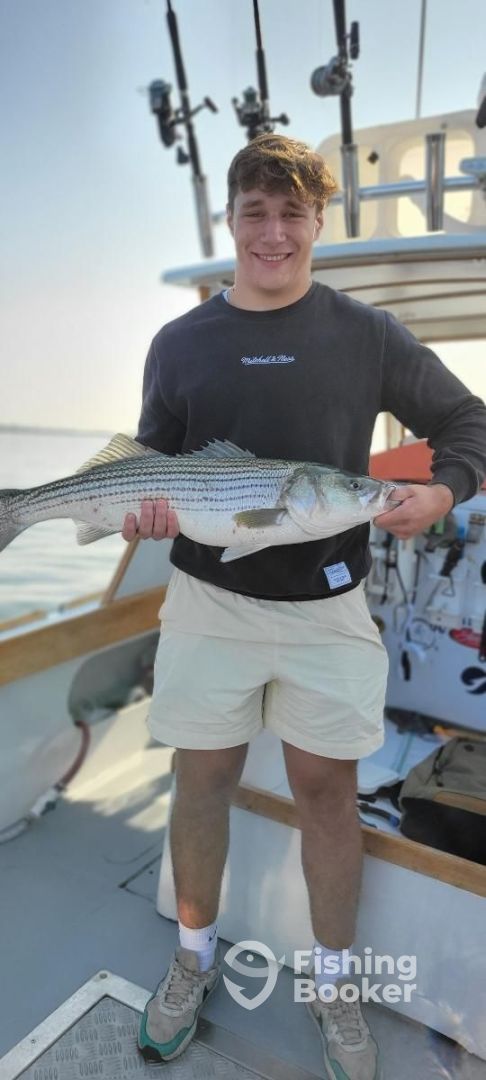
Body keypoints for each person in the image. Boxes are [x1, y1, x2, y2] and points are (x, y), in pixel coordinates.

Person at [123, 133, 486, 1079]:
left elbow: (469, 421)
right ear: (231, 220)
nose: (274, 233)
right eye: (256, 213)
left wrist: (443, 489)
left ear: (319, 221)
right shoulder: (179, 343)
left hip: (329, 605)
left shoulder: (367, 334)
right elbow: (153, 460)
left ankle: (333, 984)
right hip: (208, 600)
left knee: (326, 792)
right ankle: (191, 962)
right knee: (201, 780)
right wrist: (139, 508)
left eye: (293, 214)